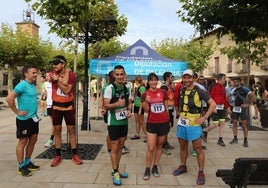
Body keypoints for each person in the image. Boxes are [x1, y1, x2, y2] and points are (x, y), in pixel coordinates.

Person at [172, 69, 216, 185]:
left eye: (189, 77)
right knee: (182, 147)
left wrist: (204, 117)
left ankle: (201, 172)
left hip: (194, 124)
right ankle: (183, 166)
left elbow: (213, 104)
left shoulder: (199, 91)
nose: (186, 80)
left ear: (193, 78)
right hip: (182, 123)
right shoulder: (182, 90)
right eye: (184, 78)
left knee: (198, 148)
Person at [6, 66, 40, 177]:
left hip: (33, 118)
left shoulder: (32, 85)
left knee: (33, 139)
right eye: (33, 73)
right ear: (26, 74)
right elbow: (9, 99)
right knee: (23, 142)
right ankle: (21, 166)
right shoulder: (22, 85)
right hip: (24, 120)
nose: (36, 74)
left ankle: (27, 162)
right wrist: (17, 111)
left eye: (36, 73)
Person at [49, 55, 83, 167]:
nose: (54, 65)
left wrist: (57, 81)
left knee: (71, 130)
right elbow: (58, 81)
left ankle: (75, 154)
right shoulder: (52, 73)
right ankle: (58, 155)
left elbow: (68, 90)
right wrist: (61, 79)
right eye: (53, 63)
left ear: (63, 64)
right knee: (57, 130)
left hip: (68, 106)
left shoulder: (71, 75)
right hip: (56, 107)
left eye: (56, 63)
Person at [103, 65, 132, 186]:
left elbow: (129, 102)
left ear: (124, 75)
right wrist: (117, 104)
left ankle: (117, 169)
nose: (120, 76)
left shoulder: (127, 88)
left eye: (122, 74)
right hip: (113, 121)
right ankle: (115, 172)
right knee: (114, 146)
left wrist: (130, 110)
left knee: (121, 146)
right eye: (117, 74)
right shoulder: (110, 88)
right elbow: (106, 105)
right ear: (114, 75)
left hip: (124, 121)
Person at [141, 73, 170, 180]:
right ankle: (147, 168)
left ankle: (155, 167)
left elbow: (166, 107)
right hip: (152, 123)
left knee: (159, 146)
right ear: (148, 82)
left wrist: (168, 120)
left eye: (155, 80)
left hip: (163, 122)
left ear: (157, 81)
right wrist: (147, 102)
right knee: (151, 147)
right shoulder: (145, 94)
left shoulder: (163, 92)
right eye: (151, 80)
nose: (153, 82)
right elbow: (146, 110)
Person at [202, 73, 229, 147]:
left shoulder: (223, 87)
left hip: (222, 108)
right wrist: (213, 107)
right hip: (215, 108)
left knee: (222, 123)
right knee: (215, 124)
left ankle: (220, 139)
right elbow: (210, 98)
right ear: (220, 79)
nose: (225, 80)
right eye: (224, 79)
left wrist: (227, 108)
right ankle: (205, 131)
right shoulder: (214, 87)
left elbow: (224, 98)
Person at [229, 77, 256, 147]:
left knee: (244, 125)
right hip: (235, 109)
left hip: (243, 109)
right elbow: (227, 96)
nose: (234, 83)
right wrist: (230, 103)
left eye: (236, 82)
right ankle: (235, 139)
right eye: (234, 82)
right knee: (234, 123)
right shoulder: (233, 90)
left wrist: (248, 104)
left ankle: (245, 140)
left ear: (239, 82)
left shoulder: (245, 89)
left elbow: (253, 96)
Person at [131, 75, 146, 142]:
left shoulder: (142, 88)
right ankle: (137, 134)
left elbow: (142, 99)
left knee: (142, 122)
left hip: (140, 106)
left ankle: (147, 135)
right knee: (137, 121)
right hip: (136, 106)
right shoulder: (138, 87)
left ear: (137, 81)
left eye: (135, 81)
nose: (135, 82)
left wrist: (140, 109)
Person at [43, 71, 54, 148]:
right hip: (49, 105)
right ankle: (52, 139)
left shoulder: (56, 83)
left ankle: (52, 138)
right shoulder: (45, 84)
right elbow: (46, 93)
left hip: (56, 104)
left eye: (49, 76)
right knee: (53, 122)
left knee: (55, 123)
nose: (48, 77)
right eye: (46, 76)